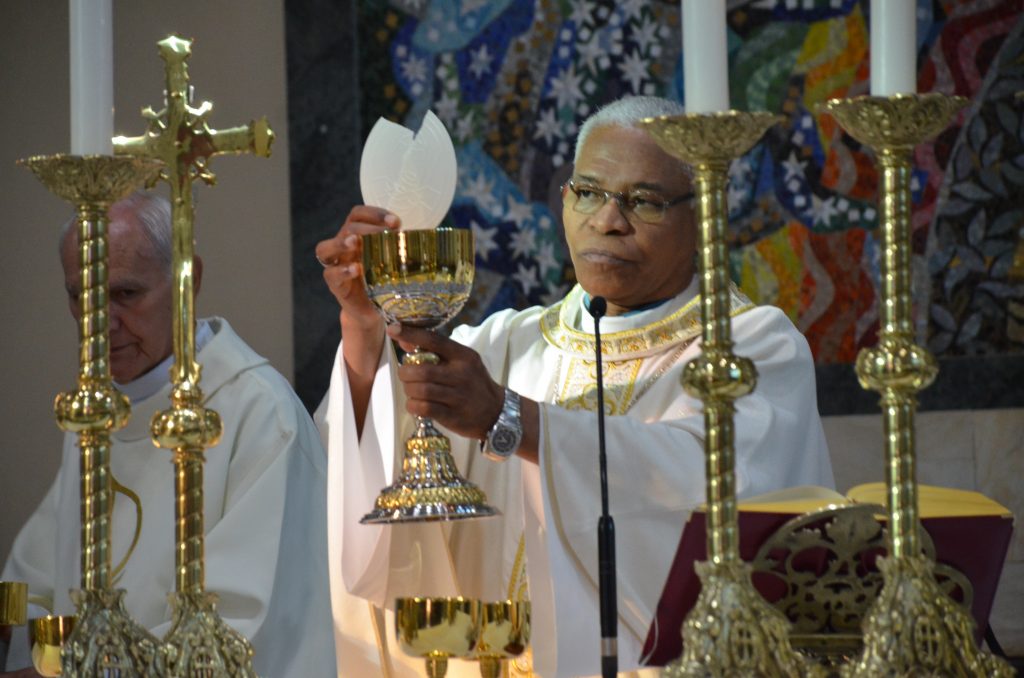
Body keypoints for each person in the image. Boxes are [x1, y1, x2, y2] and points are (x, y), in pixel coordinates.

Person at [315, 96, 834, 677]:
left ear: (708, 213)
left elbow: (712, 500)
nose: (608, 220)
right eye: (588, 192)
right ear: (564, 200)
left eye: (643, 201)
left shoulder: (750, 347)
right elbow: (370, 490)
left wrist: (512, 420)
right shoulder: (508, 345)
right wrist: (365, 329)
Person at [1, 192, 336, 677]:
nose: (101, 323)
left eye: (124, 294)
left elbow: (242, 630)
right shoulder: (96, 416)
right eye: (81, 296)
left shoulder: (258, 415)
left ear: (189, 280)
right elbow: (35, 590)